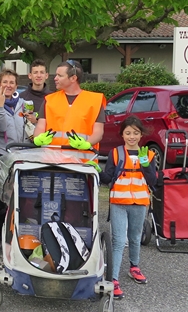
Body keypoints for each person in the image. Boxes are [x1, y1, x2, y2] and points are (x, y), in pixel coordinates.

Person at [99, 116, 157, 299]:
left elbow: (153, 182)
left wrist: (146, 166)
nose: (132, 136)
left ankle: (134, 267)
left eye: (136, 133)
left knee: (135, 237)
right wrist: (97, 170)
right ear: (122, 134)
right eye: (128, 133)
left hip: (139, 203)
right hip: (119, 203)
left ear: (141, 135)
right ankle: (113, 279)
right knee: (118, 240)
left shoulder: (148, 155)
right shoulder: (115, 153)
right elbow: (108, 178)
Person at [33, 59, 106, 155]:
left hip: (82, 163)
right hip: (52, 161)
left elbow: (98, 132)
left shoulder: (95, 101)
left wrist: (87, 144)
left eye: (60, 75)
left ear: (73, 78)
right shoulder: (49, 100)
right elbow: (40, 126)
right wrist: (38, 138)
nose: (55, 78)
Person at [0, 68, 25, 225]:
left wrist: (32, 120)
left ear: (16, 86)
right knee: (1, 198)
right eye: (5, 82)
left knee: (20, 196)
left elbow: (29, 128)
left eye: (12, 82)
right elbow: (1, 127)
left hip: (21, 155)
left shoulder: (23, 104)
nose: (8, 85)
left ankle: (16, 229)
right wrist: (0, 105)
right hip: (2, 154)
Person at [20, 59, 50, 141]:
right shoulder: (21, 97)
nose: (39, 75)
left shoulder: (52, 98)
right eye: (35, 72)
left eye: (42, 72)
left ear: (46, 75)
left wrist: (37, 120)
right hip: (24, 145)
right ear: (30, 75)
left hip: (47, 143)